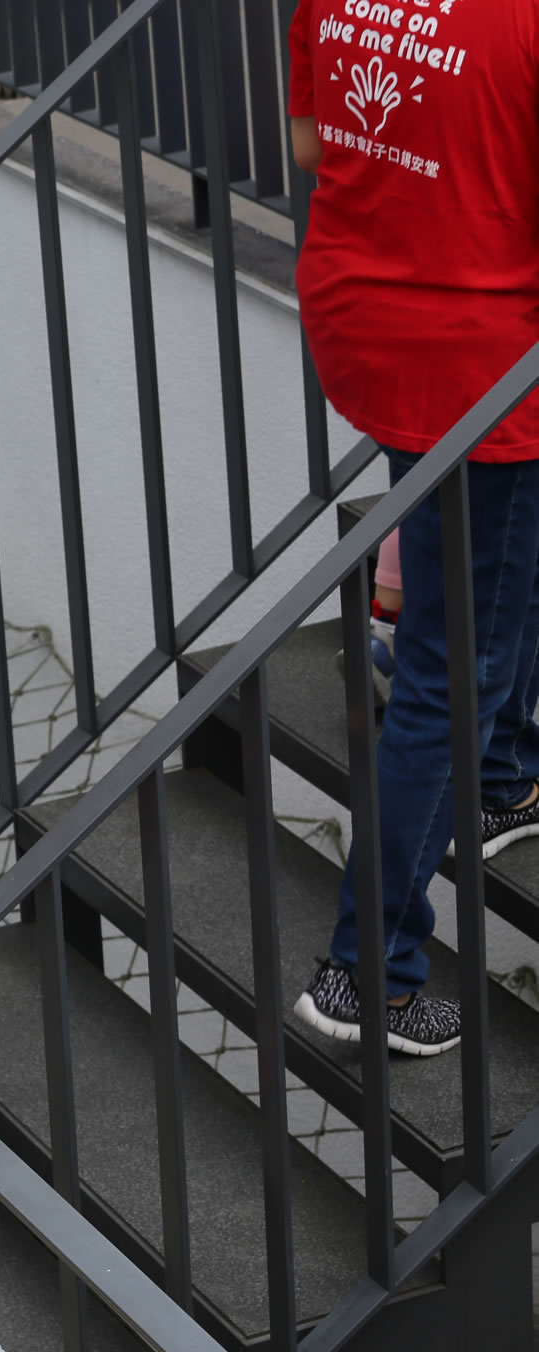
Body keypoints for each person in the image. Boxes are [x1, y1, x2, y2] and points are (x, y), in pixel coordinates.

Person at [286, 0, 539, 1057]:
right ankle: (365, 973)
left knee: (490, 583)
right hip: (482, 366)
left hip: (371, 327)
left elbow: (312, 147)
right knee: (451, 664)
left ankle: (502, 778)